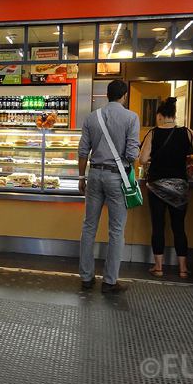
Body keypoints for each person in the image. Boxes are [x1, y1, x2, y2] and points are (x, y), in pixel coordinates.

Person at [77, 80, 140, 294]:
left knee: (88, 227)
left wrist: (81, 178)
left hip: (93, 175)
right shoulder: (131, 117)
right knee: (116, 231)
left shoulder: (91, 117)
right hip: (116, 177)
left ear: (107, 95)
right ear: (124, 96)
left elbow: (83, 151)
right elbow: (132, 155)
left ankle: (86, 277)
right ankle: (110, 281)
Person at [138, 97, 193, 279]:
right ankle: (183, 269)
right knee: (179, 227)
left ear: (160, 116)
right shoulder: (187, 132)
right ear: (174, 115)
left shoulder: (153, 134)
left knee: (158, 226)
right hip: (179, 186)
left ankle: (159, 268)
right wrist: (189, 158)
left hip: (156, 187)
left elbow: (143, 159)